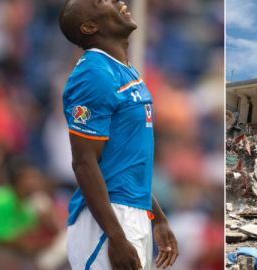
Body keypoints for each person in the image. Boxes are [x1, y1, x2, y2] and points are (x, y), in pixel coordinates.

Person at [58, 1, 178, 269]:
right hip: (109, 219)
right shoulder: (94, 74)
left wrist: (157, 217)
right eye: (103, 2)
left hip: (133, 213)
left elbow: (129, 160)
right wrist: (115, 235)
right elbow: (84, 162)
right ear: (89, 26)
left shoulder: (124, 70)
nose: (119, 3)